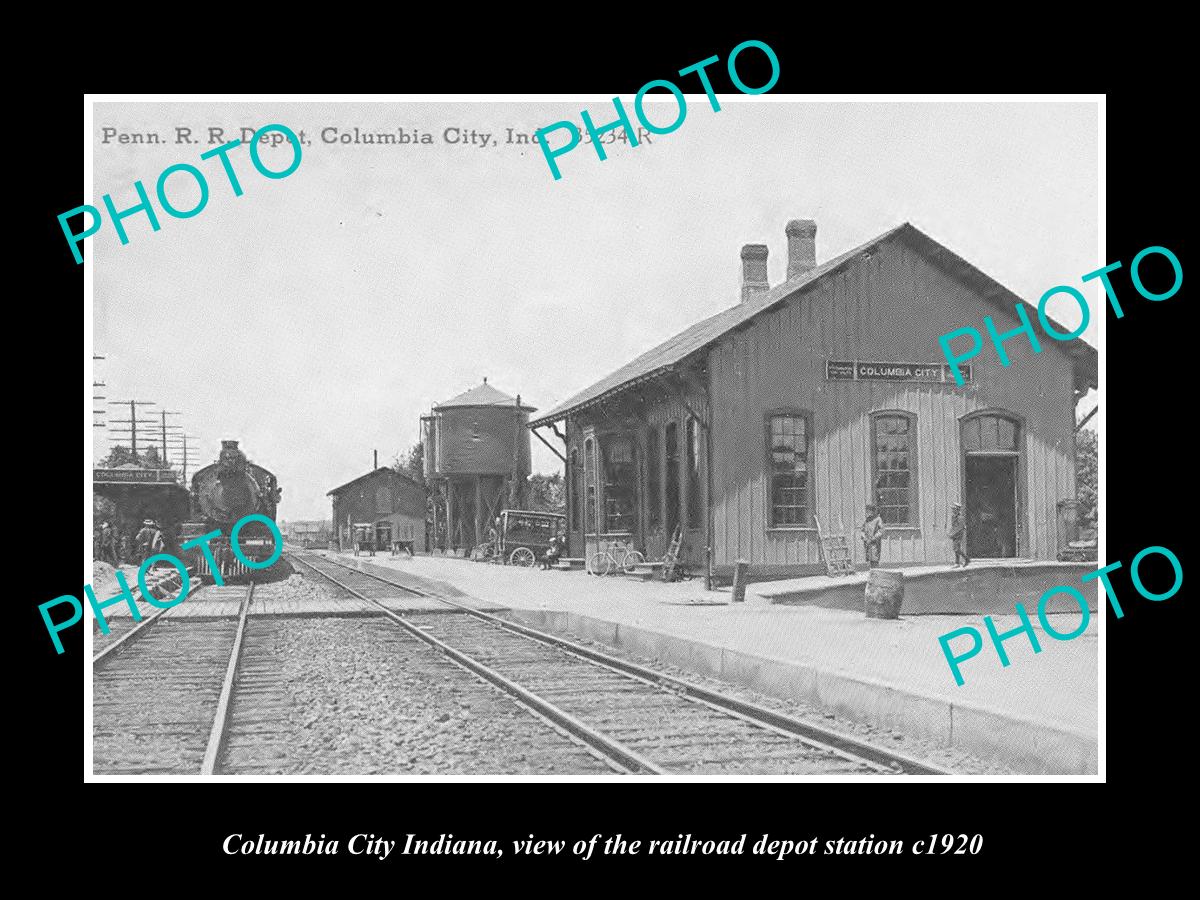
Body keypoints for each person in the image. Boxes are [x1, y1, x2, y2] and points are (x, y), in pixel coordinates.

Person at [861, 503, 884, 568]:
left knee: (875, 558)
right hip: (867, 542)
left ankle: (875, 572)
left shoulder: (878, 519)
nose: (868, 512)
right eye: (867, 511)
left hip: (874, 542)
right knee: (869, 558)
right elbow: (862, 530)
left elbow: (881, 531)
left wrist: (874, 538)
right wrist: (864, 537)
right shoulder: (867, 520)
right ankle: (871, 573)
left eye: (869, 510)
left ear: (873, 511)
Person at [950, 502, 969, 568]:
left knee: (956, 549)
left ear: (957, 510)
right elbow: (954, 526)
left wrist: (952, 534)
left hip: (958, 535)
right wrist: (951, 533)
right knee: (956, 549)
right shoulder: (953, 517)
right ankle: (957, 562)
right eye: (952, 509)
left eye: (954, 509)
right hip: (954, 534)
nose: (953, 510)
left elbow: (960, 528)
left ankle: (966, 559)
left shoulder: (961, 518)